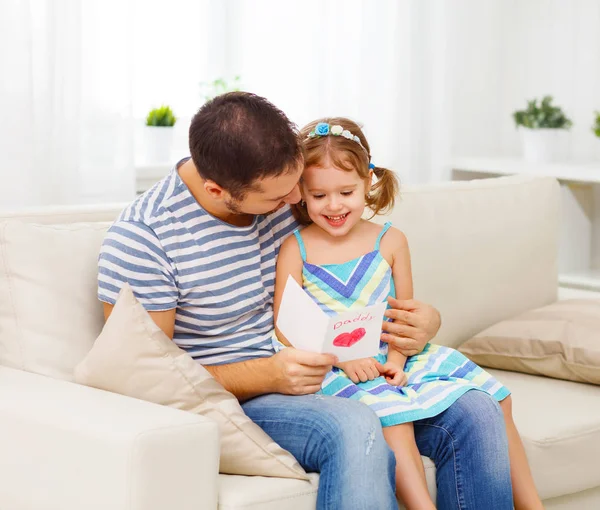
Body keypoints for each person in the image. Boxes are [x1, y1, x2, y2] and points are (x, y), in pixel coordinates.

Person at [97, 92, 512, 509]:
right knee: (352, 425)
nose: (296, 201)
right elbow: (146, 380)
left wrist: (420, 323)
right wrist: (264, 375)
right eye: (279, 199)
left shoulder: (284, 187)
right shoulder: (145, 238)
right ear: (218, 190)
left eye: (297, 186)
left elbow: (360, 269)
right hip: (246, 400)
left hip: (342, 369)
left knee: (476, 411)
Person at [273, 117, 543, 509]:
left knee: (496, 399)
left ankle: (533, 504)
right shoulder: (295, 247)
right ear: (301, 195)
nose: (333, 206)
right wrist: (343, 357)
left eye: (346, 192)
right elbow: (286, 327)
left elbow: (405, 317)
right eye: (318, 196)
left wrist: (397, 362)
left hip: (392, 355)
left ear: (369, 182)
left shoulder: (391, 240)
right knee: (393, 414)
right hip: (334, 362)